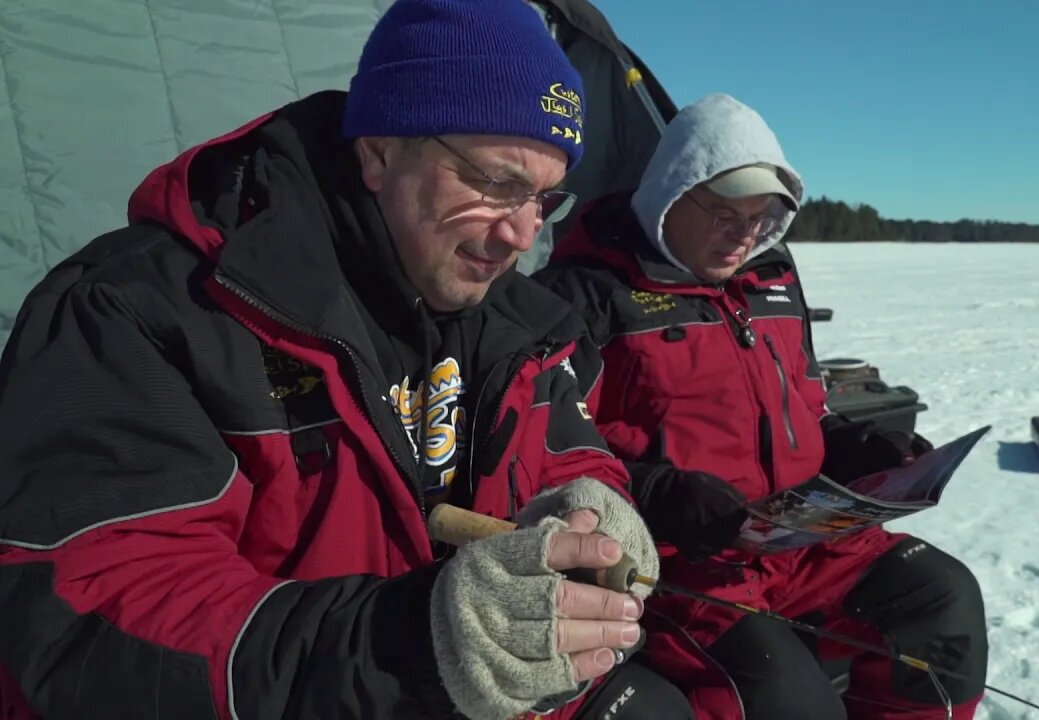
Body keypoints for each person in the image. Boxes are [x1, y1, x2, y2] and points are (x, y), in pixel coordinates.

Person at [0, 2, 696, 719]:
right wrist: (402, 648)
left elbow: (567, 453)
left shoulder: (521, 326)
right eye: (495, 182)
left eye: (545, 198)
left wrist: (589, 500)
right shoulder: (150, 310)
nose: (523, 233)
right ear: (380, 152)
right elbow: (91, 612)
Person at [536, 92, 990, 719]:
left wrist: (856, 447)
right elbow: (549, 455)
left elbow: (804, 405)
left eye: (761, 216)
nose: (744, 235)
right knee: (788, 696)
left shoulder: (769, 280)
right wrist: (661, 494)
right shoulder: (588, 293)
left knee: (941, 600)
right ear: (670, 194)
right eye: (724, 214)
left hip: (803, 544)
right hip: (680, 566)